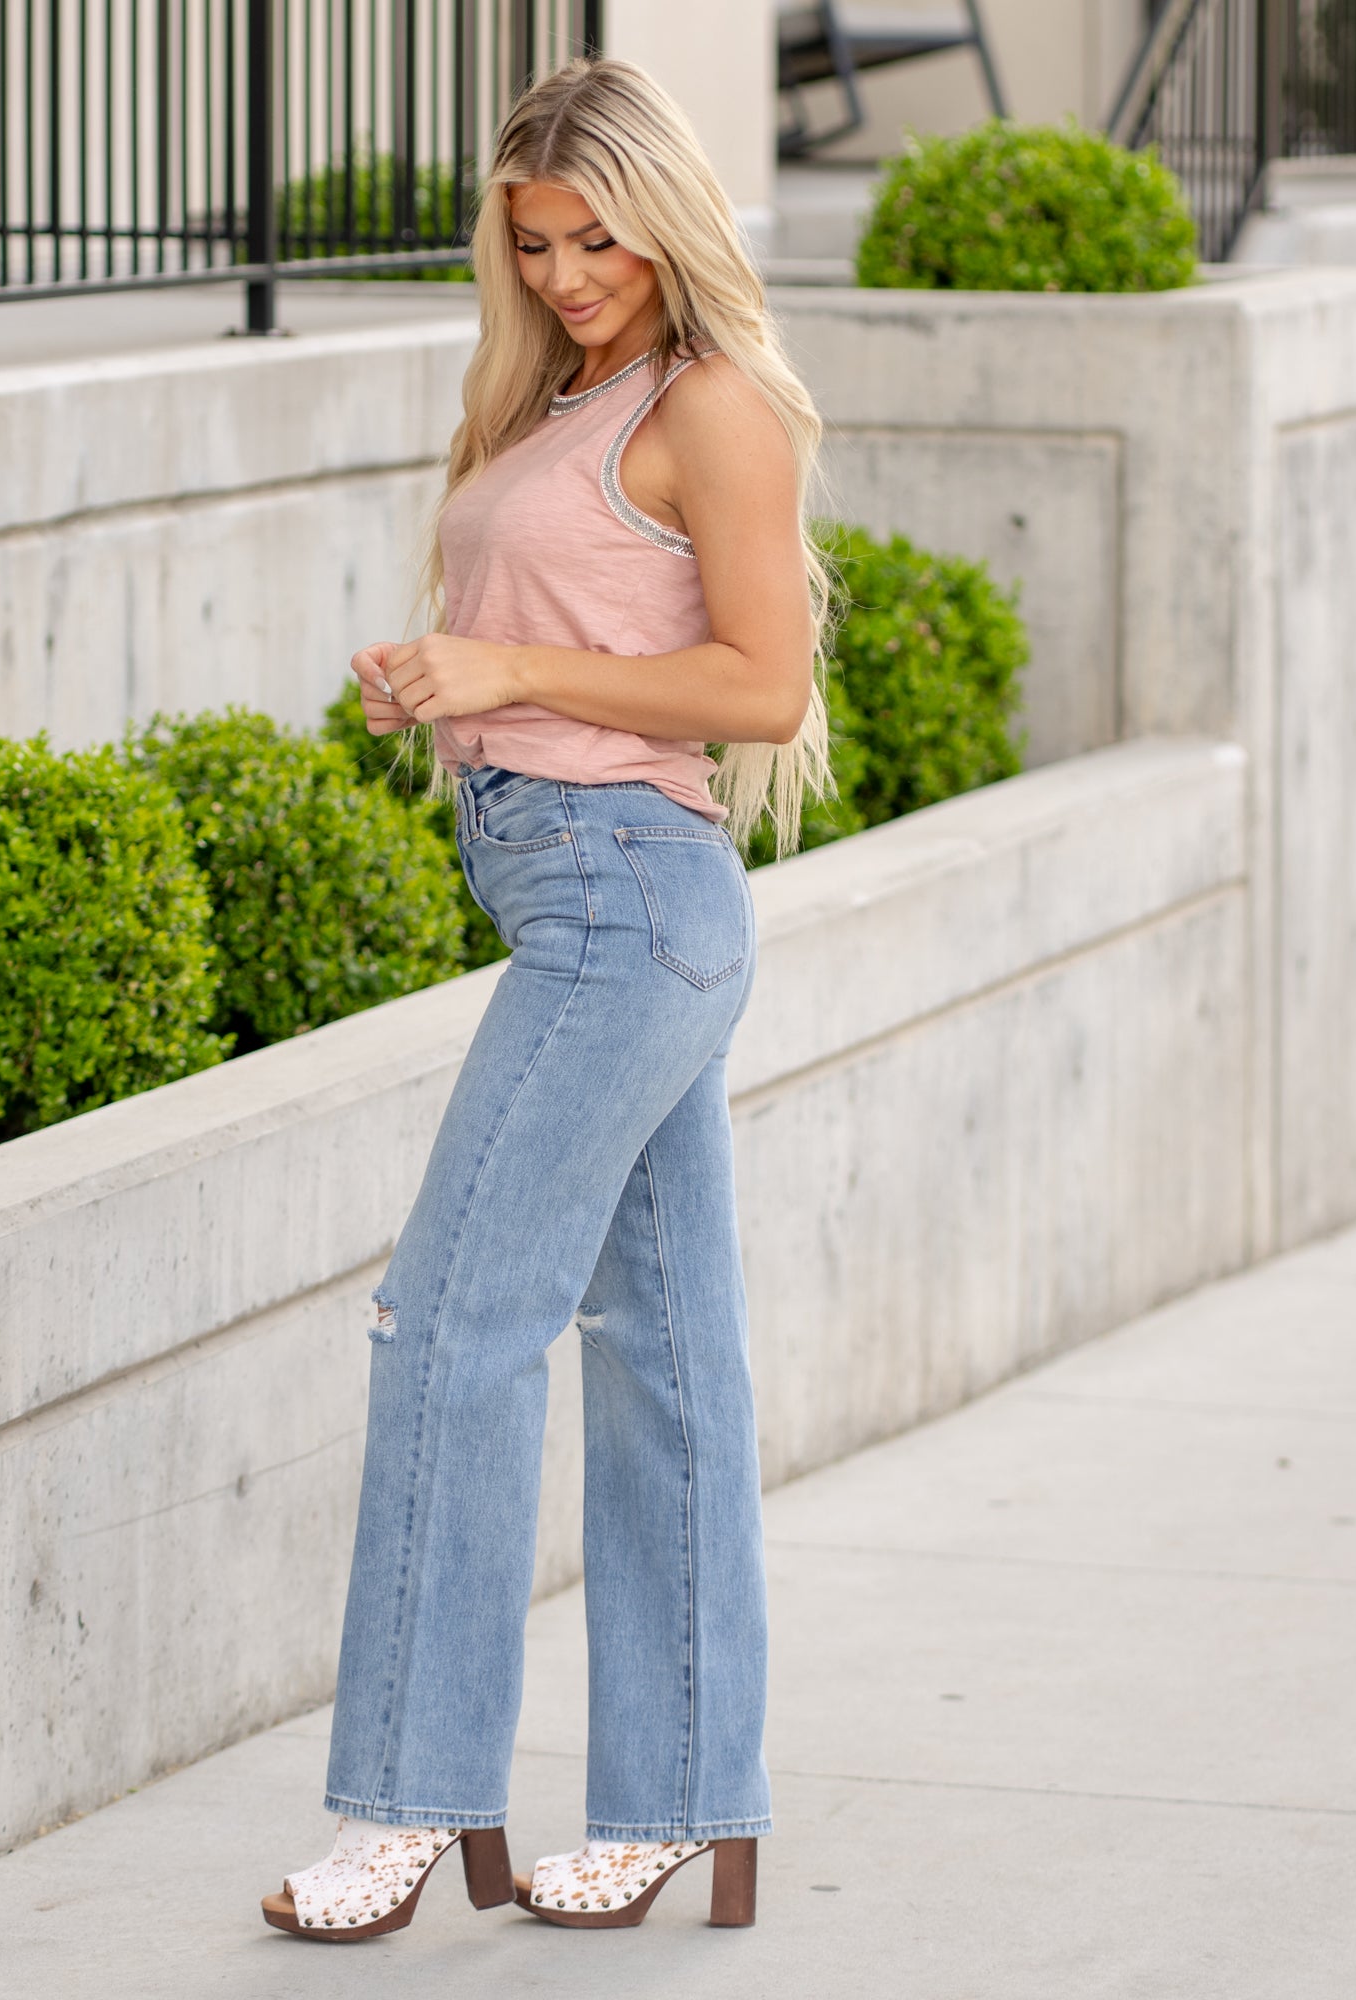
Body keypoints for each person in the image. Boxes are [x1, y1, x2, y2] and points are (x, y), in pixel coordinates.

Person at [259, 53, 831, 1943]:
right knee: (664, 1356)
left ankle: (409, 1803)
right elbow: (569, 631)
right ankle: (678, 1808)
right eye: (536, 242)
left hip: (623, 906)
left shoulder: (710, 403)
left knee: (449, 1325)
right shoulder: (557, 398)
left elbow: (761, 685)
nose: (570, 274)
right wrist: (448, 679)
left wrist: (508, 665)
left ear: (668, 222)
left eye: (601, 239)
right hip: (582, 888)